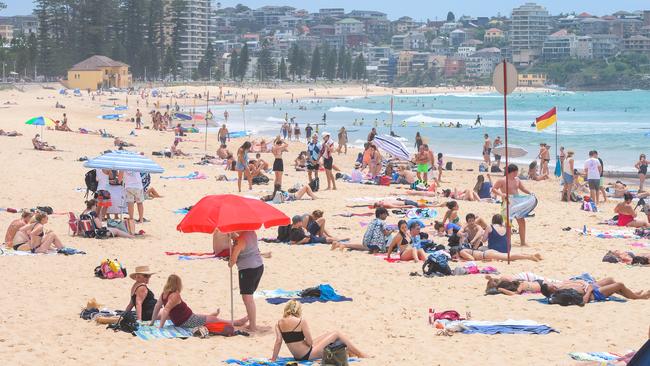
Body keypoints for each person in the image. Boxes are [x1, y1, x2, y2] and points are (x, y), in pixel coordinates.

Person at [270, 300, 368, 362]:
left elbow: (278, 341)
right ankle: (360, 354)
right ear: (298, 311)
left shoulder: (278, 324)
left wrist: (273, 359)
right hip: (307, 354)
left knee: (329, 334)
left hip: (298, 356)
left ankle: (349, 352)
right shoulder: (301, 321)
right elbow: (309, 342)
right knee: (336, 333)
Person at [150, 274, 247, 329]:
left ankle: (211, 315)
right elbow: (166, 310)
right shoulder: (175, 295)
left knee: (204, 316)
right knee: (214, 320)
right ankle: (236, 322)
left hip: (185, 318)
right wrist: (160, 326)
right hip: (187, 320)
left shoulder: (164, 294)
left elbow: (157, 306)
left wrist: (152, 321)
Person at [229, 231, 264, 331]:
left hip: (248, 269)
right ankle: (251, 322)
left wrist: (230, 263)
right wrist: (234, 238)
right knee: (249, 297)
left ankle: (253, 325)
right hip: (259, 266)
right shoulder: (251, 233)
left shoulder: (240, 240)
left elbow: (233, 259)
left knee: (247, 299)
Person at [492, 164, 534, 246]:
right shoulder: (502, 180)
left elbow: (523, 188)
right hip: (507, 202)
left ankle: (523, 242)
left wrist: (530, 193)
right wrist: (501, 194)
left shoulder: (517, 180)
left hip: (517, 201)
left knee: (521, 221)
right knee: (508, 223)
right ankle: (508, 243)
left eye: (516, 172)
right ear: (510, 172)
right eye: (515, 172)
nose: (516, 173)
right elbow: (493, 189)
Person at [541, 277, 650, 303]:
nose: (553, 285)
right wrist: (588, 290)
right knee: (619, 285)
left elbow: (574, 282)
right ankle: (638, 297)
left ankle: (632, 293)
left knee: (610, 279)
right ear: (551, 291)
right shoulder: (561, 295)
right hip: (594, 294)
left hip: (590, 287)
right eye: (552, 287)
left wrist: (585, 284)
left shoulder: (559, 286)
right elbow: (583, 301)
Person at [451, 246, 542, 262]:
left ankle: (529, 257)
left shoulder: (462, 252)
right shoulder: (464, 250)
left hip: (486, 255)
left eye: (454, 256)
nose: (455, 257)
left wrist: (460, 260)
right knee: (508, 255)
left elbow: (472, 259)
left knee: (508, 257)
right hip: (487, 253)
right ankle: (530, 255)